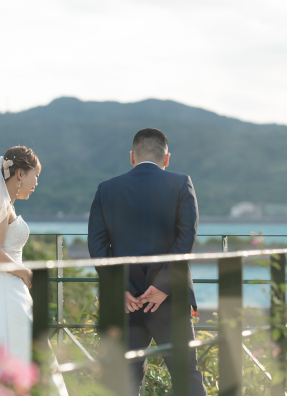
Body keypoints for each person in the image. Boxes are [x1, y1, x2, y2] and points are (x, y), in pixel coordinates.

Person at [89, 128, 207, 395]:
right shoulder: (181, 184)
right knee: (185, 375)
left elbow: (97, 246)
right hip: (170, 299)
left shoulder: (106, 189)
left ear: (132, 156)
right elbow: (186, 239)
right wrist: (163, 286)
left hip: (125, 302)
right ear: (167, 159)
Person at [0, 146, 68, 395]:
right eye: (35, 175)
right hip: (4, 290)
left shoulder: (5, 204)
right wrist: (24, 273)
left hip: (9, 290)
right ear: (19, 173)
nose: (36, 182)